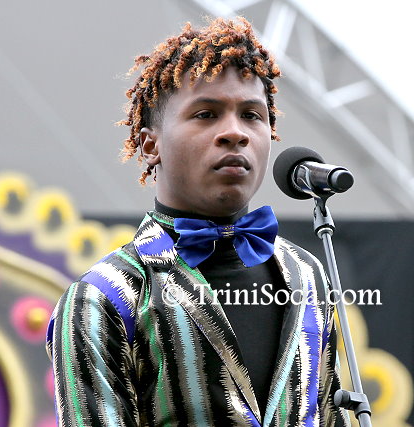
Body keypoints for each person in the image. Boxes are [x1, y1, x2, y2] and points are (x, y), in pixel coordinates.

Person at [47, 17, 350, 427]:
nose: (235, 133)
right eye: (206, 114)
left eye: (252, 115)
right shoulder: (100, 297)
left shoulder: (307, 274)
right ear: (150, 144)